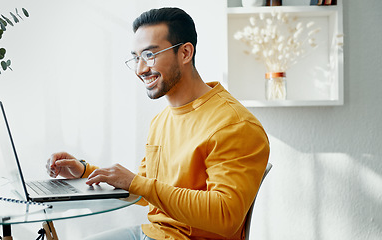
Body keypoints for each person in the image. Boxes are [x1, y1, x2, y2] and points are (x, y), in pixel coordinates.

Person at [47, 7, 269, 240]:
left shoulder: (234, 124)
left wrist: (138, 184)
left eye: (149, 55)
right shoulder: (162, 121)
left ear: (185, 53)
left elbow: (226, 216)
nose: (140, 69)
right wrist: (85, 172)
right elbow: (144, 192)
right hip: (152, 233)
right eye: (136, 57)